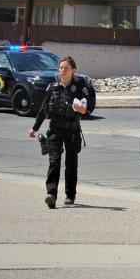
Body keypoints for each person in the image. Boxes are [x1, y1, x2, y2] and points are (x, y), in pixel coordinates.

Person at [28, 56, 88, 208]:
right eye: (61, 67)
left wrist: (82, 109)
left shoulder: (79, 86)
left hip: (72, 130)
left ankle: (70, 194)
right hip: (55, 129)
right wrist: (35, 128)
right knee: (54, 161)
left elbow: (87, 107)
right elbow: (43, 108)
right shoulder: (53, 86)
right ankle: (51, 194)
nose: (62, 70)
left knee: (71, 163)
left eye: (66, 67)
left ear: (73, 70)